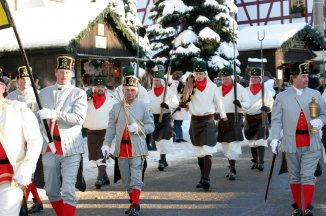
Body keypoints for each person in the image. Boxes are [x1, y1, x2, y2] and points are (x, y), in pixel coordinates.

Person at [271, 62, 326, 216]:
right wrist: (274, 139)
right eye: (303, 76)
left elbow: (324, 114)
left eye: (307, 76)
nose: (307, 79)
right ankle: (298, 208)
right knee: (294, 176)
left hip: (312, 142)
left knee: (308, 176)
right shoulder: (281, 97)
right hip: (291, 143)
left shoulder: (315, 95)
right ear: (293, 78)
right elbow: (276, 121)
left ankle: (307, 208)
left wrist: (321, 121)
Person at [37, 55, 88, 215]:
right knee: (51, 191)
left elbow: (78, 118)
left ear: (71, 72)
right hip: (50, 148)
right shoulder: (43, 93)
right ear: (55, 72)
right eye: (61, 71)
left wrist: (55, 114)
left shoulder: (79, 93)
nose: (63, 75)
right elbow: (36, 119)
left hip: (71, 148)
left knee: (68, 190)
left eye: (66, 71)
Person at [101, 75, 154, 216]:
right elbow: (111, 128)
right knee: (126, 180)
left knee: (136, 178)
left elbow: (151, 127)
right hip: (121, 150)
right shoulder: (116, 107)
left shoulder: (144, 107)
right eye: (127, 89)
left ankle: (135, 205)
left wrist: (139, 128)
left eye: (132, 89)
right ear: (122, 91)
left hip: (137, 149)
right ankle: (133, 202)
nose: (129, 92)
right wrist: (106, 144)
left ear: (137, 91)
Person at [0, 70, 43, 215]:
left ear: (3, 88)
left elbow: (35, 139)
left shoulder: (17, 108)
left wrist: (28, 165)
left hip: (10, 174)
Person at [180, 60, 226, 190]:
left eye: (201, 73)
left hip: (208, 120)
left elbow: (219, 102)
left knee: (207, 150)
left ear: (205, 74)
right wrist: (183, 102)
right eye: (196, 73)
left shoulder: (212, 87)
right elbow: (184, 101)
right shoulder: (189, 86)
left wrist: (223, 116)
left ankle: (207, 178)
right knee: (199, 152)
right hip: (195, 121)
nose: (198, 76)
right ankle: (202, 176)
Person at [216, 66, 250, 181]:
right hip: (222, 117)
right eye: (223, 78)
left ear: (232, 77)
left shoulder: (240, 89)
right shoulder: (218, 89)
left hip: (235, 116)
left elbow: (248, 103)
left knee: (233, 143)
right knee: (225, 143)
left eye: (227, 78)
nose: (224, 80)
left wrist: (240, 104)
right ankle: (230, 166)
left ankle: (233, 168)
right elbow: (215, 103)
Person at [83, 76, 117, 189]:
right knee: (94, 157)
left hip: (105, 132)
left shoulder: (111, 100)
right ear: (94, 88)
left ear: (105, 88)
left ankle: (99, 178)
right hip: (91, 132)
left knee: (102, 154)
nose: (100, 88)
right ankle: (105, 178)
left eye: (102, 86)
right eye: (98, 86)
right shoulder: (87, 100)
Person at [244, 67, 274, 172]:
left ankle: (261, 162)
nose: (253, 79)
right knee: (252, 141)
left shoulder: (265, 91)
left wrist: (268, 108)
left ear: (260, 78)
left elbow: (271, 103)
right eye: (252, 77)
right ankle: (255, 161)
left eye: (256, 77)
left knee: (261, 140)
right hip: (249, 118)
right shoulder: (245, 91)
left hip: (261, 118)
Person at [148, 69, 179, 171]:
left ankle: (162, 160)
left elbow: (175, 103)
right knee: (158, 139)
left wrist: (167, 105)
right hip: (154, 119)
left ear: (162, 82)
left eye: (157, 80)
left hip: (165, 118)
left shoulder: (168, 93)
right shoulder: (149, 94)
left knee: (164, 138)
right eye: (154, 80)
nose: (155, 82)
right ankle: (163, 159)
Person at [170, 70, 189, 143]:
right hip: (178, 106)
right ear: (178, 77)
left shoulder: (181, 84)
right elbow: (173, 96)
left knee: (179, 123)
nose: (182, 77)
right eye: (181, 76)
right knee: (177, 123)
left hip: (181, 106)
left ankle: (180, 137)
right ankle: (177, 137)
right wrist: (176, 105)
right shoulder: (174, 85)